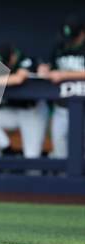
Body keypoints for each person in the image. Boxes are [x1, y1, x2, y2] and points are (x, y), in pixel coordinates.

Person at [0, 44, 48, 158]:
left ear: (12, 57)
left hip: (33, 111)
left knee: (31, 157)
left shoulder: (25, 59)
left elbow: (19, 78)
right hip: (14, 111)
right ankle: (9, 150)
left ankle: (33, 172)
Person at [38, 16, 85, 158]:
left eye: (74, 36)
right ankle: (63, 177)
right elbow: (47, 64)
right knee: (59, 141)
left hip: (83, 105)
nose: (70, 40)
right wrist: (44, 69)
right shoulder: (60, 45)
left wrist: (64, 75)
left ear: (82, 32)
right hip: (62, 105)